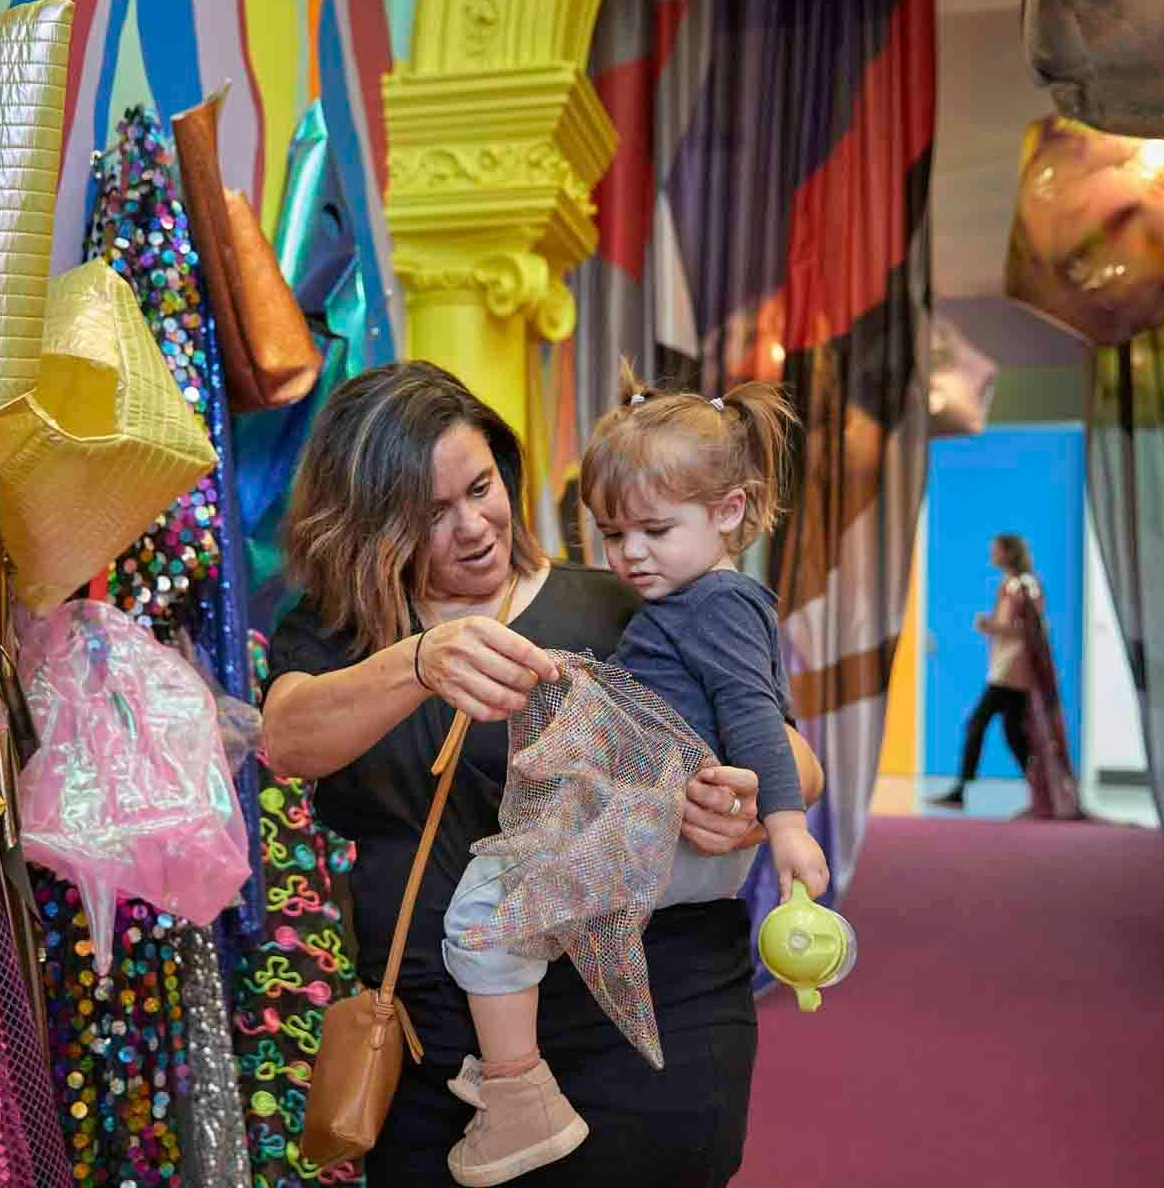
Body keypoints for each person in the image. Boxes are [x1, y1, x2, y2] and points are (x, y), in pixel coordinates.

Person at [261, 361, 824, 1187]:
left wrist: (741, 804)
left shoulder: (630, 602)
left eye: (480, 488)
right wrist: (419, 661)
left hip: (642, 1029)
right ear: (367, 523)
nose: (473, 526)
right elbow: (287, 739)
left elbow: (786, 752)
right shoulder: (336, 633)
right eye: (430, 513)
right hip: (436, 1048)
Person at [438, 369, 830, 1185]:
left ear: (729, 512)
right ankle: (516, 1082)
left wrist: (788, 826)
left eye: (654, 530)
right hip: (663, 837)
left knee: (484, 913)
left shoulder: (717, 603)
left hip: (670, 840)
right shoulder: (687, 604)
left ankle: (516, 1095)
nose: (630, 555)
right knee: (507, 914)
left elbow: (756, 715)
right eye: (613, 534)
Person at [933, 534, 1037, 808]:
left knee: (977, 724)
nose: (992, 554)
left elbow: (1030, 629)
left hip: (1012, 669)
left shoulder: (1024, 585)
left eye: (996, 550)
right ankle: (1041, 789)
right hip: (1004, 665)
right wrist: (993, 626)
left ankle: (960, 790)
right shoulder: (1009, 584)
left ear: (1009, 553)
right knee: (1013, 733)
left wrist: (992, 627)